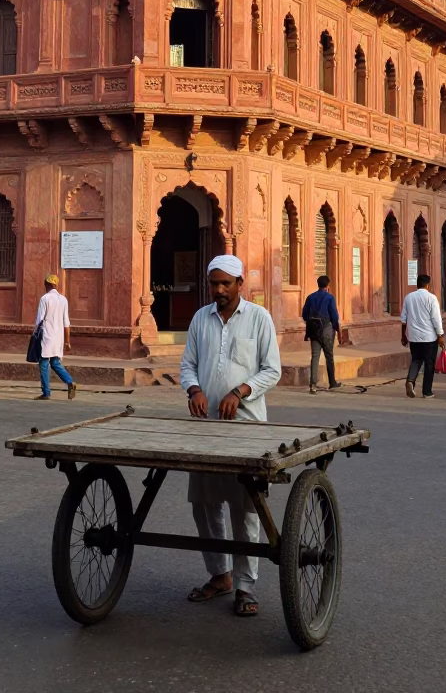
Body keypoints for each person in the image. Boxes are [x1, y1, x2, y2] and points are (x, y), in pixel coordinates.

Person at [180, 255, 281, 619]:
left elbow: (273, 370)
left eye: (226, 284)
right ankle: (219, 574)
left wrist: (240, 390)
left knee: (245, 508)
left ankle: (245, 586)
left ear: (241, 283)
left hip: (247, 426)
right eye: (214, 284)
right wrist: (193, 390)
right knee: (204, 504)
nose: (219, 290)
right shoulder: (200, 319)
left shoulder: (259, 319)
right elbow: (188, 363)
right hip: (206, 426)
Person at [400, 274, 446, 399]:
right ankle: (427, 391)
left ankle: (410, 380)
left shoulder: (408, 297)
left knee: (416, 360)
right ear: (428, 285)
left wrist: (403, 336)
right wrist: (440, 335)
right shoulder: (431, 298)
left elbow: (403, 319)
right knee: (429, 364)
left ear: (417, 284)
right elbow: (436, 318)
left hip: (413, 336)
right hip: (429, 337)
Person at [34, 275, 76, 401]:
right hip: (59, 338)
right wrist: (67, 341)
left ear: (46, 284)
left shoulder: (45, 298)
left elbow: (39, 320)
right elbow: (66, 322)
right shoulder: (63, 299)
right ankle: (69, 381)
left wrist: (34, 334)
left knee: (43, 363)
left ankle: (46, 392)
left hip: (46, 336)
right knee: (55, 362)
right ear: (56, 285)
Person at [301, 275, 344, 393]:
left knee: (315, 357)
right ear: (328, 285)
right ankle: (332, 382)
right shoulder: (330, 298)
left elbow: (304, 315)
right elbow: (334, 316)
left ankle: (313, 384)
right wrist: (337, 330)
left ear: (318, 284)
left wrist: (312, 323)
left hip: (313, 331)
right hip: (326, 330)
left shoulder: (310, 297)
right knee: (329, 356)